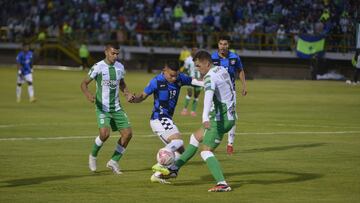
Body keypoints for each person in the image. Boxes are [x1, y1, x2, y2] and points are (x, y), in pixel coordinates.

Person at [154, 50, 236, 192]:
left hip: (219, 119)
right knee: (194, 138)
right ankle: (174, 169)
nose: (197, 69)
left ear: (207, 63)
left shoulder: (210, 76)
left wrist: (205, 118)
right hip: (227, 116)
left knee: (205, 151)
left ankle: (222, 183)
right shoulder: (221, 69)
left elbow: (208, 97)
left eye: (198, 66)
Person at [129, 60, 203, 184]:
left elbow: (194, 81)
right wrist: (134, 99)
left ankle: (157, 175)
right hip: (159, 118)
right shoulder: (156, 81)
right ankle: (161, 161)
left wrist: (211, 83)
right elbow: (142, 96)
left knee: (181, 152)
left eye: (176, 75)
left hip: (166, 118)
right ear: (165, 70)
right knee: (177, 141)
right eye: (171, 75)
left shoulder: (180, 78)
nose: (174, 78)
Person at [80, 43, 134, 175]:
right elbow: (84, 83)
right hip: (102, 107)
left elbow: (121, 83)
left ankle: (114, 161)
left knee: (128, 134)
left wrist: (127, 93)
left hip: (116, 107)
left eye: (117, 54)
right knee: (105, 134)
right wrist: (88, 95)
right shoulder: (98, 67)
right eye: (113, 53)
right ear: (106, 52)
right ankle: (93, 156)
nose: (115, 56)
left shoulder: (120, 67)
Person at [211, 35, 247, 155]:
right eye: (221, 44)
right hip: (215, 93)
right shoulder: (213, 57)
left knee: (231, 117)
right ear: (218, 45)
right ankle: (212, 141)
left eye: (225, 44)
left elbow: (240, 70)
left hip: (230, 93)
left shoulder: (234, 57)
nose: (223, 47)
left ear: (228, 45)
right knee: (215, 117)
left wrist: (244, 86)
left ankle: (230, 144)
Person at [180, 47, 202, 117]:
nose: (195, 52)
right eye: (193, 51)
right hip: (190, 79)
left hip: (199, 80)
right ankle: (184, 109)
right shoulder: (188, 59)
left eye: (196, 51)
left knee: (196, 95)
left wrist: (202, 78)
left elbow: (203, 69)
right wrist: (186, 77)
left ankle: (193, 111)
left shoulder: (200, 60)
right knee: (189, 93)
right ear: (191, 52)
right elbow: (185, 69)